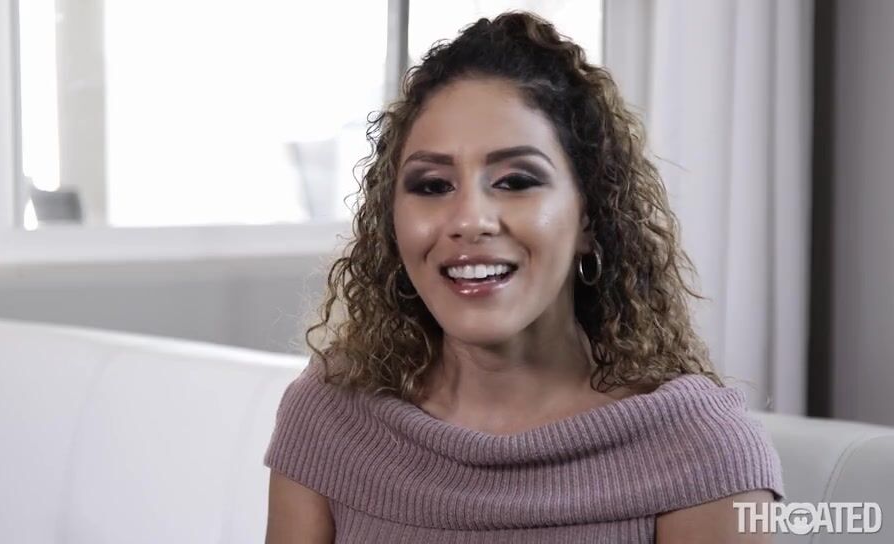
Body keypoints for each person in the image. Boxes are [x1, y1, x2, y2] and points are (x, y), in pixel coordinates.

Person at [264, 11, 784, 543]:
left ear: (589, 217)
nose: (470, 220)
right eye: (433, 185)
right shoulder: (329, 416)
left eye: (515, 181)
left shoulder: (705, 452)